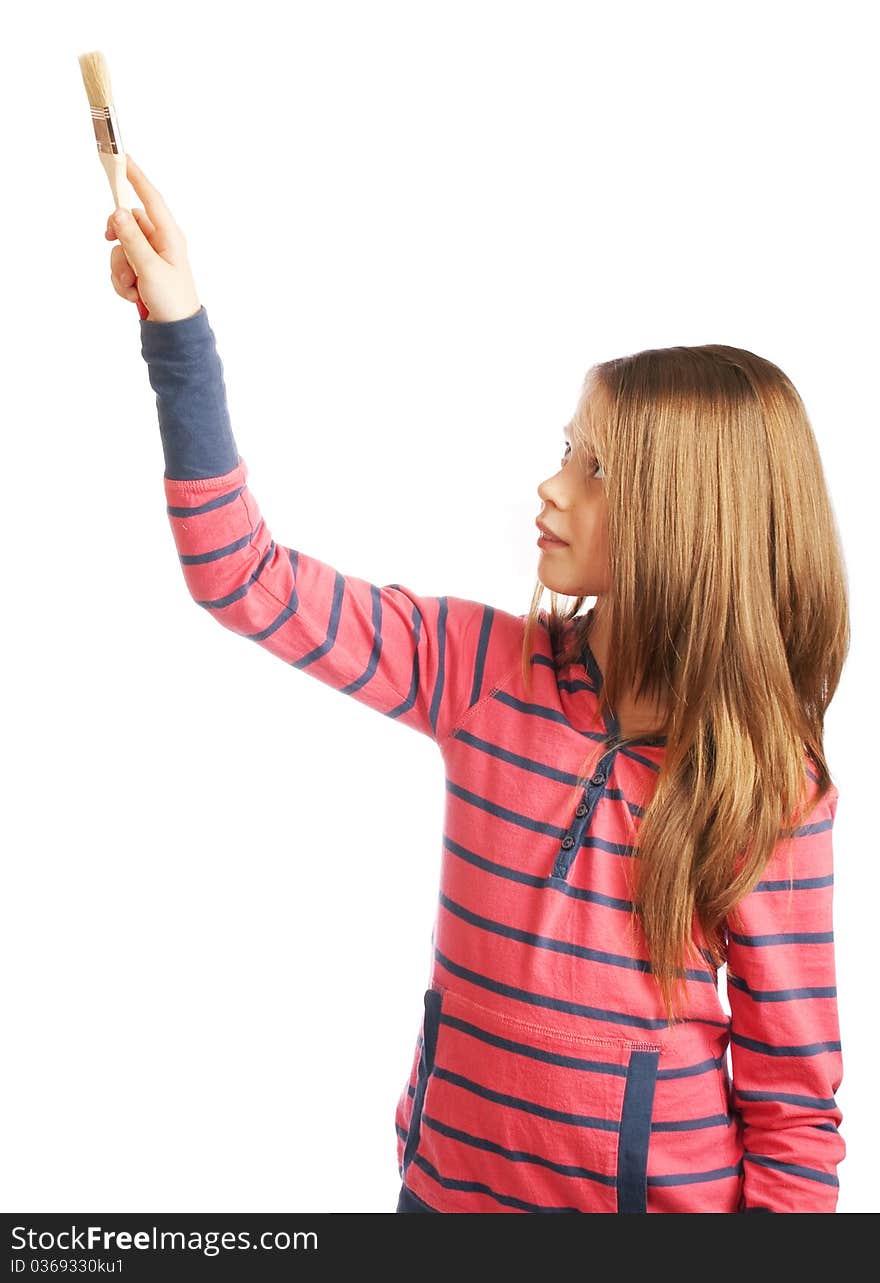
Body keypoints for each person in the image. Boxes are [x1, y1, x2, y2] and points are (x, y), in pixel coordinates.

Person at [105, 154, 847, 1214]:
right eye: (565, 448)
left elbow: (791, 1113)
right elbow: (243, 574)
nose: (550, 484)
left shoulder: (766, 786)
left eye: (595, 468)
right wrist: (178, 337)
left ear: (689, 522)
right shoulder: (475, 668)